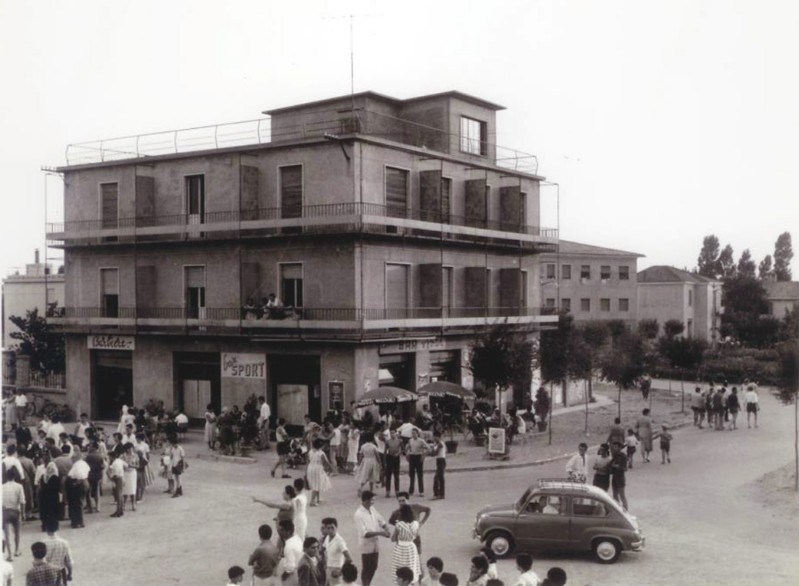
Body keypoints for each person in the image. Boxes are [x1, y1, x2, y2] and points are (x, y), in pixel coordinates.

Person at [353, 491, 391, 586]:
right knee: (366, 567)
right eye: (372, 500)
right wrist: (381, 533)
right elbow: (364, 533)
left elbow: (380, 519)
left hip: (375, 543)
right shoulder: (358, 514)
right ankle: (365, 584)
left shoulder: (372, 508)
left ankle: (367, 584)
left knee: (374, 566)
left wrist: (385, 526)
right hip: (366, 544)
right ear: (366, 500)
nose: (373, 501)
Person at [389, 492, 431, 557]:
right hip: (402, 540)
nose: (401, 503)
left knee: (417, 560)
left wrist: (422, 523)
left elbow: (428, 510)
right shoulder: (396, 512)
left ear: (407, 500)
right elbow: (391, 521)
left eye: (403, 500)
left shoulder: (416, 507)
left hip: (415, 538)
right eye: (399, 501)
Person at [390, 505, 420, 586]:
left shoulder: (399, 525)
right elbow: (416, 536)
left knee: (399, 568)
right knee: (411, 568)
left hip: (400, 548)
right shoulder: (415, 524)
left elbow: (393, 539)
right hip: (411, 548)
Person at [321, 517, 352, 586]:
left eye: (332, 528)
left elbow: (349, 559)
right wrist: (324, 564)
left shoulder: (340, 541)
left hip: (337, 569)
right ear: (326, 529)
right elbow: (322, 550)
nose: (331, 530)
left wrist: (340, 572)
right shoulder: (327, 538)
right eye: (328, 528)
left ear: (336, 527)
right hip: (328, 569)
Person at [2, 468, 24, 560]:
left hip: (5, 512)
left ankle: (10, 554)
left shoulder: (2, 487)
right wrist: (23, 514)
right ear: (15, 476)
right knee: (17, 532)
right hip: (15, 511)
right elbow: (22, 501)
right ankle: (17, 550)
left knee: (7, 534)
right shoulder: (19, 486)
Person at [42, 520, 72, 585]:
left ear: (46, 529)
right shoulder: (64, 542)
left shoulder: (43, 543)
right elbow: (68, 561)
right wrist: (70, 574)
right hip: (61, 571)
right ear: (58, 528)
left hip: (47, 572)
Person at [65, 450, 89, 527]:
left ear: (76, 458)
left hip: (77, 484)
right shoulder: (84, 463)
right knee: (80, 503)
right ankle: (80, 521)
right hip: (84, 483)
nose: (72, 459)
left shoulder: (77, 465)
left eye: (73, 458)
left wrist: (75, 483)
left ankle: (76, 522)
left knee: (75, 504)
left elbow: (79, 475)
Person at [305, 439, 333, 507]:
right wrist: (331, 468)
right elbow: (326, 462)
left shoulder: (310, 451)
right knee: (316, 484)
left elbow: (308, 460)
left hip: (310, 468)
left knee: (316, 484)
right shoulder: (321, 453)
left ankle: (318, 499)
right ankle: (312, 501)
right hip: (318, 469)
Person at [278, 520, 303, 585]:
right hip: (300, 572)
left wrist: (283, 576)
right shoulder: (297, 538)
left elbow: (290, 567)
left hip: (292, 575)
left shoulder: (289, 546)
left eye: (282, 530)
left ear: (288, 532)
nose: (279, 532)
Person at [38, 458, 61, 530]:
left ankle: (44, 526)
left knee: (45, 511)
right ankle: (53, 526)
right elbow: (58, 488)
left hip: (44, 497)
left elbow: (40, 486)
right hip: (53, 497)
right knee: (53, 512)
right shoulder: (55, 477)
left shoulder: (43, 477)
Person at [406, 428, 427, 497]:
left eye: (415, 433)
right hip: (412, 457)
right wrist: (407, 453)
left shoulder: (421, 441)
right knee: (411, 475)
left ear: (417, 433)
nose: (413, 434)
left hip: (418, 456)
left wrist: (423, 455)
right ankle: (411, 490)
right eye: (412, 433)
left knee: (420, 475)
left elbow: (426, 447)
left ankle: (421, 491)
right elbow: (408, 448)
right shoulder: (410, 440)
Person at [609, 442, 629, 511]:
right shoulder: (615, 455)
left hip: (620, 478)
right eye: (614, 447)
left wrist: (616, 466)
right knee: (615, 495)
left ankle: (626, 510)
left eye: (616, 447)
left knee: (622, 496)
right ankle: (618, 509)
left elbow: (625, 468)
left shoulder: (623, 456)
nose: (614, 448)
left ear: (620, 448)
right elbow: (610, 464)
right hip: (614, 477)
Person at [384, 428, 403, 498]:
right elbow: (385, 450)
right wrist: (385, 460)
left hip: (396, 458)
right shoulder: (387, 441)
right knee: (388, 475)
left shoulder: (399, 441)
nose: (392, 434)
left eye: (393, 432)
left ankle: (397, 491)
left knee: (396, 475)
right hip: (389, 457)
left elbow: (401, 449)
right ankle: (388, 491)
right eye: (391, 433)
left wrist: (398, 453)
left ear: (396, 433)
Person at [106, 452, 126, 518]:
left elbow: (111, 473)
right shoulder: (119, 460)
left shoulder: (114, 463)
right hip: (121, 477)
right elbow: (126, 465)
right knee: (120, 494)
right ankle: (121, 510)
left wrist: (110, 477)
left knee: (118, 495)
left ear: (112, 457)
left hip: (117, 478)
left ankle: (118, 511)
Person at [429, 432, 447, 500]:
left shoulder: (440, 444)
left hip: (441, 460)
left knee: (437, 478)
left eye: (435, 437)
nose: (433, 438)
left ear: (438, 437)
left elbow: (434, 453)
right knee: (440, 478)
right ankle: (440, 493)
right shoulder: (436, 444)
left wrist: (430, 450)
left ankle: (437, 494)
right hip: (439, 460)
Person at [168, 433, 186, 498]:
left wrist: (183, 468)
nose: (173, 445)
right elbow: (171, 456)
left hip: (178, 464)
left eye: (173, 444)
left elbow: (183, 459)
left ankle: (178, 491)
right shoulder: (172, 448)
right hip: (174, 464)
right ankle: (180, 490)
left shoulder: (180, 449)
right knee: (176, 478)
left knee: (178, 478)